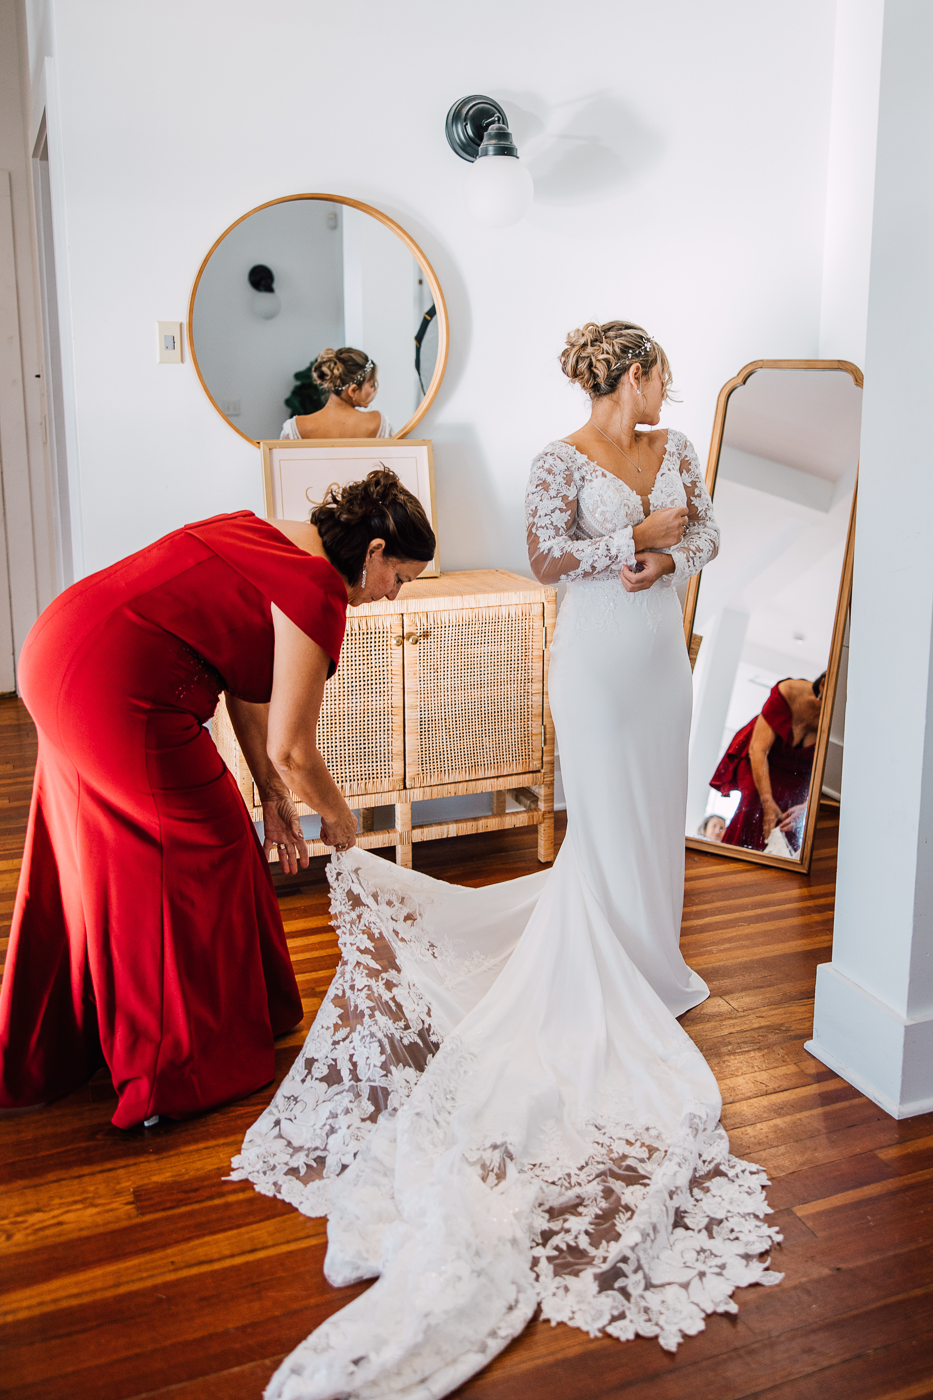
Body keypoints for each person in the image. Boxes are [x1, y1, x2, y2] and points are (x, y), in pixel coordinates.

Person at [232, 322, 781, 1400]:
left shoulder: (678, 453)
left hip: (658, 654)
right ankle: (604, 959)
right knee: (605, 809)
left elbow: (712, 533)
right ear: (629, 376)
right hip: (591, 657)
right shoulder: (556, 460)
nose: (670, 385)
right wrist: (628, 545)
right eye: (662, 368)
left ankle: (650, 958)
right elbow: (542, 558)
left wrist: (671, 550)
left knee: (655, 804)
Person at [0, 472, 435, 1130]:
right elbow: (294, 747)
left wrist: (269, 795)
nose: (394, 593)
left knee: (114, 849)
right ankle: (172, 1068)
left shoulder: (273, 536)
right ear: (374, 553)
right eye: (400, 577)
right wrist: (341, 821)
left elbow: (244, 682)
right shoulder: (318, 591)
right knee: (201, 853)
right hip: (117, 687)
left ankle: (92, 1032)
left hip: (59, 646)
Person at [711, 674, 825, 852]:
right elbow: (758, 750)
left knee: (788, 819)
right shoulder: (789, 691)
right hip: (763, 757)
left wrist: (807, 807)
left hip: (800, 773)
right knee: (754, 800)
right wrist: (767, 800)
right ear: (824, 685)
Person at [280, 347, 394, 440]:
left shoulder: (295, 428)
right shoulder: (379, 423)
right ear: (353, 390)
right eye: (371, 385)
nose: (374, 391)